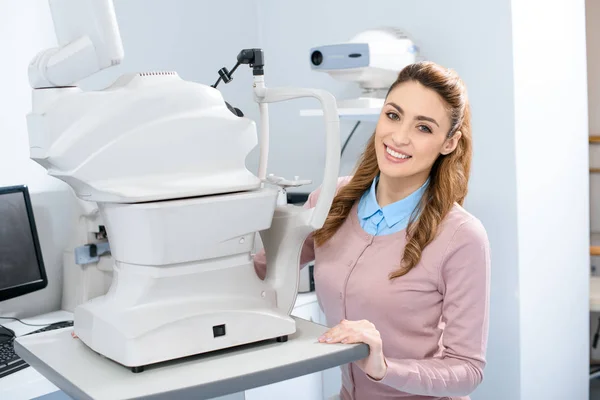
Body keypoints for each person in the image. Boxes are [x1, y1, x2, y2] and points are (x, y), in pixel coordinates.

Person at [253, 61, 491, 400]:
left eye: (423, 128)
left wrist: (384, 368)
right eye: (393, 115)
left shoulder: (462, 237)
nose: (399, 137)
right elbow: (264, 270)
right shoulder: (332, 199)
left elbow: (467, 370)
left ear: (449, 143)